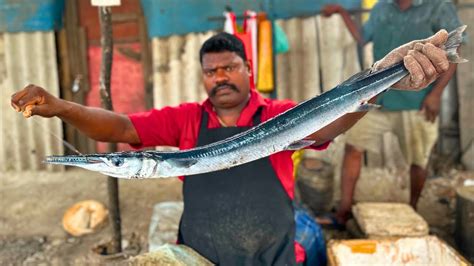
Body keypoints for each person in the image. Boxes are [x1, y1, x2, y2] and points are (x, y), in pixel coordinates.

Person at [11, 31, 450, 265]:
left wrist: (382, 75)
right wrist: (60, 107)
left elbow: (325, 125)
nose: (220, 77)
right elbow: (124, 127)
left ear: (247, 69)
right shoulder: (185, 119)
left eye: (230, 67)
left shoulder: (278, 113)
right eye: (211, 71)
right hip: (204, 253)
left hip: (275, 254)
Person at [320, 0, 464, 227]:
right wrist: (341, 11)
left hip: (417, 102)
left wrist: (435, 94)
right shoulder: (381, 8)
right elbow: (362, 37)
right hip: (380, 99)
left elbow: (452, 54)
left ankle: (413, 209)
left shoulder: (438, 6)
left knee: (419, 159)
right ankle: (344, 212)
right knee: (353, 147)